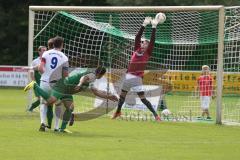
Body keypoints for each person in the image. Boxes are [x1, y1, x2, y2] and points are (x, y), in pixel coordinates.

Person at [24, 66, 118, 132]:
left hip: (67, 91)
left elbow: (96, 92)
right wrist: (79, 84)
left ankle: (62, 129)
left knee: (70, 107)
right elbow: (83, 78)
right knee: (51, 101)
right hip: (62, 86)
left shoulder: (92, 78)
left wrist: (109, 97)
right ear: (101, 74)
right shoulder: (92, 75)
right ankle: (34, 85)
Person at [112, 16, 162, 121]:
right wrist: (143, 25)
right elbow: (137, 37)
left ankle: (155, 115)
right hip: (128, 76)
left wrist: (154, 27)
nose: (143, 43)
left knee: (142, 98)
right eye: (143, 42)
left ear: (148, 46)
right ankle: (118, 112)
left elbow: (152, 41)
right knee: (122, 96)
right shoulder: (136, 49)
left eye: (146, 43)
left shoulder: (148, 53)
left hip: (137, 78)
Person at [38, 36, 69, 132]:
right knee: (58, 104)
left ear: (53, 44)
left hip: (44, 82)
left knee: (43, 102)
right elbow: (65, 74)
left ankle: (43, 123)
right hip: (56, 84)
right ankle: (56, 127)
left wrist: (45, 74)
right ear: (62, 45)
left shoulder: (46, 53)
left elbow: (40, 68)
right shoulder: (64, 57)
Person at [27, 46, 47, 112]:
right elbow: (31, 72)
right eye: (43, 50)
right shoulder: (35, 61)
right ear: (39, 52)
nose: (45, 51)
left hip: (46, 82)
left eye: (46, 50)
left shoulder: (48, 60)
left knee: (45, 98)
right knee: (41, 98)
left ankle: (32, 108)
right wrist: (33, 81)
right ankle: (31, 108)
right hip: (37, 82)